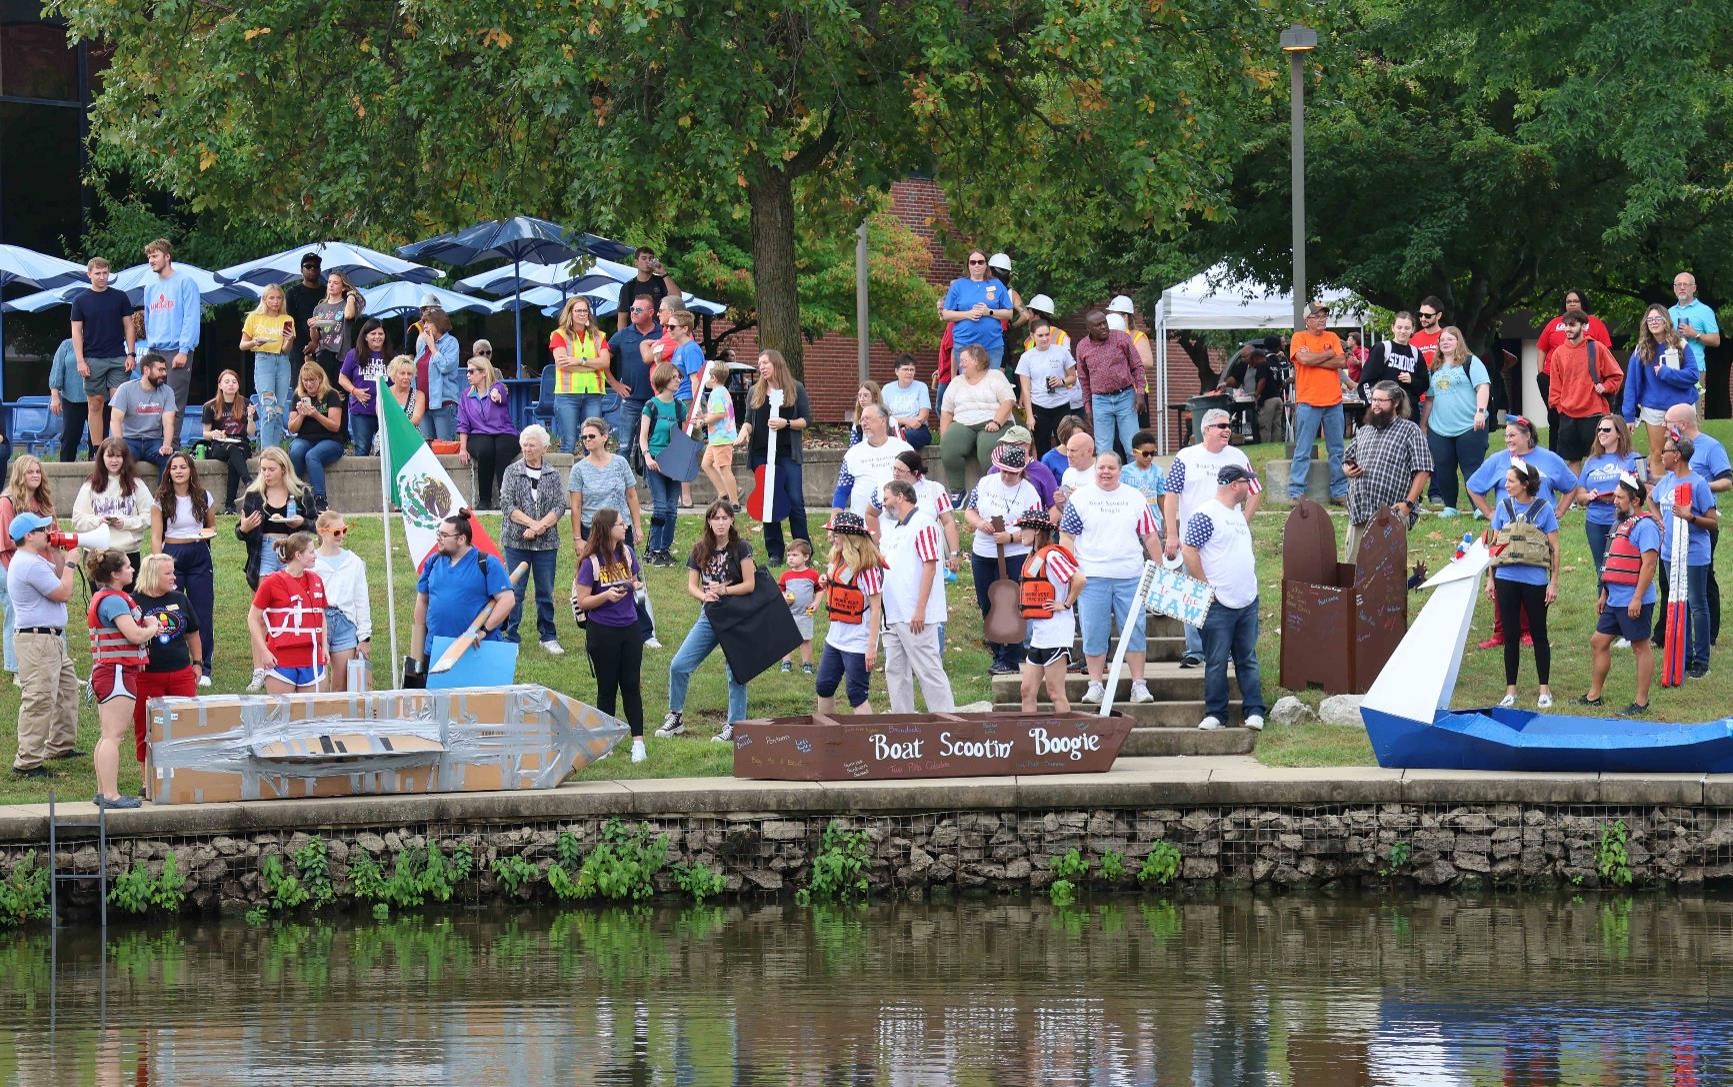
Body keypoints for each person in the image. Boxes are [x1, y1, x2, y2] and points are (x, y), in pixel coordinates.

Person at [1062, 453, 1164, 705]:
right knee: (1093, 630)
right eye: (1101, 467)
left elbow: (1149, 536)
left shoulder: (1135, 498)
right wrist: (1068, 570)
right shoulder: (1080, 498)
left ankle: (1139, 685)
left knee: (1135, 630)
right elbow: (1067, 536)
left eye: (1111, 468)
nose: (1105, 472)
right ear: (1095, 469)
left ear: (1120, 470)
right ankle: (1095, 684)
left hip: (1130, 576)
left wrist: (1160, 569)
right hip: (1092, 576)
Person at [1162, 408, 1257, 668]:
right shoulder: (1186, 456)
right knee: (1193, 593)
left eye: (1229, 425)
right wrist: (1171, 533)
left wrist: (1242, 521)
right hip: (1193, 539)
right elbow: (1171, 495)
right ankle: (1195, 649)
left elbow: (1255, 491)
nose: (1227, 429)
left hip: (1226, 541)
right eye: (1220, 425)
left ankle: (1222, 648)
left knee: (1223, 592)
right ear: (1205, 430)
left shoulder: (1237, 456)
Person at [1179, 465, 1268, 731]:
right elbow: (1189, 550)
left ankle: (1255, 710)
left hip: (1246, 600)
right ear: (1233, 485)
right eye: (1245, 482)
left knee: (1247, 658)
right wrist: (1206, 587)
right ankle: (1216, 713)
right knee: (1216, 661)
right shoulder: (1206, 514)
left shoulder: (1237, 514)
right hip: (1218, 603)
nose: (1249, 487)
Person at [660, 500, 755, 741]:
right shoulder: (700, 548)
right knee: (679, 664)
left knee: (736, 672)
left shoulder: (741, 547)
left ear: (732, 520)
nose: (721, 523)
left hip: (737, 617)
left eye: (725, 518)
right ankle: (676, 716)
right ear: (709, 521)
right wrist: (706, 596)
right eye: (716, 518)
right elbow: (692, 586)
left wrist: (723, 591)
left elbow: (750, 584)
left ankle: (735, 725)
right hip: (710, 615)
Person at [574, 507, 649, 762]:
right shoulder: (590, 561)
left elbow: (634, 579)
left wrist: (634, 585)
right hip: (602, 630)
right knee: (606, 688)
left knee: (631, 685)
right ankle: (604, 743)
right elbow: (583, 601)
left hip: (629, 627)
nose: (625, 526)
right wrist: (606, 595)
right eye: (620, 523)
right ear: (607, 529)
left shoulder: (626, 553)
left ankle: (638, 742)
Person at [961, 443, 1043, 674]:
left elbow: (1034, 532)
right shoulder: (986, 483)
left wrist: (1010, 537)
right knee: (986, 602)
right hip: (983, 551)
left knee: (1011, 603)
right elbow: (970, 510)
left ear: (1021, 471)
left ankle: (1011, 657)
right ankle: (997, 651)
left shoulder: (1029, 493)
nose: (1006, 475)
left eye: (1011, 472)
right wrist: (980, 524)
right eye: (1003, 470)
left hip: (1014, 555)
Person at [1484, 460, 1560, 708]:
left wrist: (1553, 583)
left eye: (1511, 481)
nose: (1506, 485)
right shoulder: (1503, 507)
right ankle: (1510, 690)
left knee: (1539, 633)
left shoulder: (1544, 509)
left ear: (1525, 484)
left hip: (1535, 581)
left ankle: (1544, 690)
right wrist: (1490, 580)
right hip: (1506, 579)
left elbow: (1555, 549)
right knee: (1511, 635)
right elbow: (1493, 546)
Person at [85, 549, 157, 808]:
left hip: (110, 671)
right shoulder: (114, 601)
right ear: (115, 574)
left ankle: (103, 791)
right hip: (117, 672)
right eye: (127, 567)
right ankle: (110, 795)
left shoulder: (107, 597)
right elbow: (135, 636)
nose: (132, 570)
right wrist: (153, 627)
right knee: (114, 736)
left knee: (107, 735)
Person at [7, 511, 77, 779]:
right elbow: (63, 591)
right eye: (42, 529)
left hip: (50, 639)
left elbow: (58, 575)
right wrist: (71, 564)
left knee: (66, 690)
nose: (48, 532)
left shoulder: (34, 559)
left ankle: (59, 746)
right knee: (38, 699)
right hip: (37, 641)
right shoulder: (28, 564)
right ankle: (27, 762)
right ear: (28, 536)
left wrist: (60, 552)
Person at [877, 480, 957, 713]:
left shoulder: (924, 524)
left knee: (928, 669)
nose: (884, 504)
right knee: (895, 670)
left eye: (886, 498)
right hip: (891, 613)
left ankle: (946, 721)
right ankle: (903, 724)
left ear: (900, 497)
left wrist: (920, 608)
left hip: (915, 612)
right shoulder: (895, 528)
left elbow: (930, 567)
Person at [1582, 474, 1659, 714]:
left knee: (1640, 647)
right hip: (1614, 599)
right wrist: (1604, 593)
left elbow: (1649, 565)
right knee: (1598, 641)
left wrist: (1636, 598)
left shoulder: (1646, 526)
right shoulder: (1619, 525)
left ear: (1635, 500)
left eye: (1619, 497)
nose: (1614, 501)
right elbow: (1611, 562)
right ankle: (1594, 696)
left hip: (1634, 600)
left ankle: (1641, 702)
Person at [411, 511, 516, 671]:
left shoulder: (486, 563)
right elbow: (422, 601)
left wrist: (483, 631)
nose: (439, 538)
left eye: (444, 535)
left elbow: (507, 600)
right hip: (436, 650)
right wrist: (417, 649)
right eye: (438, 533)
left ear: (461, 539)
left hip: (476, 649)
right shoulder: (433, 562)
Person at [1649, 436, 1717, 679]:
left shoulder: (1698, 484)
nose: (1661, 455)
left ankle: (1701, 661)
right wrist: (1659, 520)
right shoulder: (1667, 481)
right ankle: (1683, 656)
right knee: (1679, 604)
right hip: (1669, 553)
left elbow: (1712, 521)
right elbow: (1651, 498)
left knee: (1697, 604)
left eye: (1665, 451)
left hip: (1694, 554)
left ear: (1677, 455)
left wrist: (1691, 518)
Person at [1664, 403, 1731, 645]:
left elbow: (1726, 481)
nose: (1664, 426)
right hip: (1675, 523)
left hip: (1701, 520)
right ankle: (1668, 632)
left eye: (1668, 422)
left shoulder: (1711, 446)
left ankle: (1709, 634)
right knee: (1671, 580)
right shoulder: (1672, 451)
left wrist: (1697, 485)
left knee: (1704, 577)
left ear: (1682, 425)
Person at [499, 423, 569, 653]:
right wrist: (531, 524)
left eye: (532, 445)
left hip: (546, 544)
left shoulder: (553, 473)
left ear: (544, 448)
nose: (527, 449)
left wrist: (540, 528)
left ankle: (548, 635)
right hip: (515, 541)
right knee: (514, 591)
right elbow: (507, 505)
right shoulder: (512, 471)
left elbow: (559, 505)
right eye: (524, 444)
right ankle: (511, 635)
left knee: (545, 591)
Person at [1343, 382, 1432, 558]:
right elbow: (1347, 459)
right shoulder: (1365, 430)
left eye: (1381, 401)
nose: (1375, 404)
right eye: (1374, 399)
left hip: (1391, 514)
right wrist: (1347, 469)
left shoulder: (1410, 430)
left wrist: (1408, 505)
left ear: (1396, 402)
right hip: (1360, 512)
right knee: (1354, 571)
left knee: (1385, 573)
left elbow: (1423, 470)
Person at [149, 452, 215, 684]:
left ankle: (204, 667)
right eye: (174, 467)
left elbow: (211, 526)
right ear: (168, 471)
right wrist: (158, 562)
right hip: (172, 555)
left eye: (183, 467)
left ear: (190, 470)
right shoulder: (160, 500)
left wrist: (205, 535)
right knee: (171, 608)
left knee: (202, 610)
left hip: (198, 554)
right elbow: (157, 535)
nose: (178, 471)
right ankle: (175, 659)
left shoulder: (204, 497)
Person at [129, 553, 202, 761]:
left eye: (173, 572)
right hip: (146, 676)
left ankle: (183, 772)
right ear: (152, 575)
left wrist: (197, 662)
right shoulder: (133, 603)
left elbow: (193, 632)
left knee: (187, 725)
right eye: (168, 573)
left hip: (180, 673)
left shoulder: (180, 599)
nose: (174, 578)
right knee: (145, 728)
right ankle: (147, 780)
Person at [813, 512, 885, 716]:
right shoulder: (839, 559)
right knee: (824, 687)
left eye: (836, 534)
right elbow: (841, 588)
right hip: (835, 639)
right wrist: (826, 582)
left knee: (856, 694)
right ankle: (829, 738)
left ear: (848, 536)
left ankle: (870, 743)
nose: (832, 537)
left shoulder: (868, 568)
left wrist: (871, 647)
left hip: (858, 643)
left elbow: (875, 608)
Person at [1624, 303, 1703, 481]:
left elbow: (1693, 375)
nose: (1653, 322)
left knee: (1688, 450)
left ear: (1666, 320)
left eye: (1657, 318)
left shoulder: (1681, 344)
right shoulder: (1641, 350)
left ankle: (1691, 488)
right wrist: (1629, 415)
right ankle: (1661, 493)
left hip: (1682, 407)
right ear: (1646, 324)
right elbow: (1631, 384)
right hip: (1655, 409)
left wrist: (1666, 373)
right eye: (1650, 319)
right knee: (1658, 452)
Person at [1016, 508, 1083, 713]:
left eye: (1024, 528)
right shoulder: (1033, 556)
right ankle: (1029, 737)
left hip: (1056, 631)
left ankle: (1067, 740)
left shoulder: (1052, 556)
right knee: (1027, 690)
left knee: (1055, 691)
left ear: (1036, 530)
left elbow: (1079, 579)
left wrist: (1065, 603)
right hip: (1040, 633)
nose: (1020, 532)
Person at [69, 256, 138, 449]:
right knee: (95, 403)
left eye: (105, 273)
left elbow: (129, 326)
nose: (102, 277)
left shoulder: (120, 296)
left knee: (118, 404)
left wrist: (131, 354)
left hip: (118, 356)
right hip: (92, 358)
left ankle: (119, 447)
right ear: (89, 274)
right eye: (97, 273)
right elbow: (76, 331)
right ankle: (97, 449)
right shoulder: (80, 300)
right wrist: (80, 360)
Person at [248, 532, 329, 694]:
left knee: (313, 717)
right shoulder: (271, 583)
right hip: (281, 661)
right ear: (298, 555)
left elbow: (320, 616)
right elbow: (253, 618)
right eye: (311, 552)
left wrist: (324, 647)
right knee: (282, 717)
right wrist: (264, 652)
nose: (315, 556)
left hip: (311, 659)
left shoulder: (316, 580)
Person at [236, 446, 316, 607]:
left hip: (292, 549)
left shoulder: (300, 493)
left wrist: (301, 522)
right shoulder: (255, 494)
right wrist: (244, 528)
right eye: (263, 469)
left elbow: (316, 524)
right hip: (264, 550)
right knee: (263, 606)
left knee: (293, 603)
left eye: (272, 469)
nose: (266, 474)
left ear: (284, 469)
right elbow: (239, 532)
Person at [1544, 311, 1624, 472]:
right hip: (1567, 415)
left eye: (1572, 325)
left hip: (1593, 413)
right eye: (1565, 325)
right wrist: (1560, 407)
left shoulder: (1597, 348)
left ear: (1583, 326)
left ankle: (1596, 493)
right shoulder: (1558, 353)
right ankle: (1576, 496)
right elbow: (1554, 387)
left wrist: (1606, 387)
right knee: (1572, 460)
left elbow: (1617, 375)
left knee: (1596, 457)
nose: (1568, 329)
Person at [1425, 326, 1492, 518]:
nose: (1445, 342)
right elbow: (1430, 398)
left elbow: (1483, 388)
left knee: (1472, 466)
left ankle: (1479, 507)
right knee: (1444, 466)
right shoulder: (1435, 367)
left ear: (1458, 342)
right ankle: (1450, 507)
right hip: (1440, 427)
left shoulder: (1471, 362)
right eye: (1442, 340)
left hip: (1470, 425)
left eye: (1450, 339)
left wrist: (1480, 412)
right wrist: (1424, 424)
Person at [0, 456, 56, 681]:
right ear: (19, 476)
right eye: (29, 472)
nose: (35, 475)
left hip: (41, 564)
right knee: (17, 609)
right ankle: (16, 669)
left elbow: (54, 534)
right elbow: (6, 541)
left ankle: (58, 664)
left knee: (54, 606)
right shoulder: (7, 502)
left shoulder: (43, 502)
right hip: (10, 564)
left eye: (38, 471)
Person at [1287, 303, 1349, 505]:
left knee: (1337, 449)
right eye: (1317, 316)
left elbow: (1341, 362)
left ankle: (1339, 491)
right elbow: (1303, 359)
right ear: (1307, 320)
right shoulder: (1299, 337)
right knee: (1303, 449)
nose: (1322, 319)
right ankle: (1296, 491)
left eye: (1324, 316)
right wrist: (1328, 354)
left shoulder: (1331, 337)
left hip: (1334, 402)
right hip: (1308, 401)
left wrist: (1315, 359)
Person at [938, 344, 1017, 499]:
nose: (960, 365)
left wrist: (997, 422)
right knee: (949, 446)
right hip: (963, 423)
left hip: (993, 422)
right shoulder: (957, 382)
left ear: (977, 360)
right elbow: (946, 411)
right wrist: (944, 436)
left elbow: (1008, 401)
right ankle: (957, 491)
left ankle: (993, 491)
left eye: (964, 361)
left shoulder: (995, 376)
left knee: (988, 448)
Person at [1574, 415, 1644, 574]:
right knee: (1602, 569)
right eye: (1599, 429)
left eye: (1606, 429)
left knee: (1623, 566)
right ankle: (1603, 599)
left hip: (1624, 519)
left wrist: (1622, 494)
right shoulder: (1591, 461)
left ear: (1619, 433)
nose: (1601, 433)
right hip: (1595, 521)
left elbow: (1644, 487)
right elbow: (1579, 494)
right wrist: (1588, 496)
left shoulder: (1633, 458)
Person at [1074, 309, 1147, 462]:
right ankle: (1107, 483)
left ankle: (1137, 481)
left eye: (1104, 323)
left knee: (1132, 446)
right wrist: (1088, 407)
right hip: (1100, 401)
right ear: (1089, 329)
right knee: (1104, 449)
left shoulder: (1121, 338)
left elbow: (1137, 366)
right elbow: (1083, 379)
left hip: (1126, 396)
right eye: (1098, 325)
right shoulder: (1082, 347)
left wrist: (1140, 393)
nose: (1103, 327)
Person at [72, 438, 155, 573]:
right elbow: (77, 520)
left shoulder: (137, 484)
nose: (114, 461)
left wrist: (126, 523)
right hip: (97, 553)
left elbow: (151, 516)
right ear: (101, 458)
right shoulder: (89, 486)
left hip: (127, 552)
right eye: (109, 456)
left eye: (118, 456)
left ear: (125, 458)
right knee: (101, 594)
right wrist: (99, 520)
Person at [137, 239, 201, 412]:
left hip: (176, 350)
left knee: (173, 404)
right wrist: (150, 347)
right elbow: (148, 319)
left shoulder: (185, 282)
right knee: (153, 402)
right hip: (154, 350)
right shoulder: (150, 287)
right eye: (149, 257)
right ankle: (155, 440)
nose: (151, 260)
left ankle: (172, 440)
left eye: (155, 256)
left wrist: (184, 350)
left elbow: (191, 318)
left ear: (167, 256)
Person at [313, 511, 370, 691]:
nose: (342, 535)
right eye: (337, 532)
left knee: (342, 685)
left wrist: (364, 637)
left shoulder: (354, 562)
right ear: (322, 532)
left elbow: (361, 600)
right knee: (318, 684)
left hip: (345, 622)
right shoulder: (311, 561)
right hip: (318, 620)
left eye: (344, 530)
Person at [568, 415, 645, 546]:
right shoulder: (578, 469)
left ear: (604, 436)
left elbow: (631, 496)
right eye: (584, 437)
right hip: (592, 531)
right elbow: (576, 506)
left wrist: (637, 527)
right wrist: (577, 539)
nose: (587, 440)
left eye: (591, 436)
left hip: (622, 529)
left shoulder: (621, 463)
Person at [638, 363, 687, 566]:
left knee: (672, 509)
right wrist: (648, 457)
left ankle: (665, 549)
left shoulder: (680, 407)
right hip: (656, 462)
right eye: (675, 377)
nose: (678, 380)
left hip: (674, 464)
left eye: (679, 377)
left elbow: (683, 436)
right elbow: (643, 437)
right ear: (664, 379)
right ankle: (653, 549)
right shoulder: (651, 406)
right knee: (660, 508)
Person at [549, 296, 611, 454]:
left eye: (585, 310)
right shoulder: (559, 334)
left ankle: (591, 478)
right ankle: (565, 479)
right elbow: (562, 364)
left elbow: (605, 363)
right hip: (567, 394)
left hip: (593, 394)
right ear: (570, 313)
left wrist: (579, 361)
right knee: (569, 441)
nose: (582, 314)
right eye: (578, 310)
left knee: (592, 442)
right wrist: (593, 366)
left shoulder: (599, 335)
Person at [241, 283, 297, 450]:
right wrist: (254, 342)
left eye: (279, 298)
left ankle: (276, 450)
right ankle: (266, 452)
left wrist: (289, 339)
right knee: (268, 408)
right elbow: (243, 345)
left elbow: (286, 350)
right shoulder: (254, 318)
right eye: (271, 298)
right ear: (264, 299)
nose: (275, 301)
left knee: (279, 408)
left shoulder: (287, 319)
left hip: (282, 360)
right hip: (263, 358)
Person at [455, 356, 514, 509]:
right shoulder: (465, 395)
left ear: (484, 373)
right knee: (485, 450)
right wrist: (462, 448)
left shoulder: (498, 387)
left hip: (504, 431)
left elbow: (499, 392)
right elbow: (463, 424)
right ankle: (485, 499)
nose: (467, 375)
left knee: (502, 449)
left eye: (471, 371)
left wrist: (495, 395)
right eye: (467, 371)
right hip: (479, 433)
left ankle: (506, 498)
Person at [940, 248, 1013, 371]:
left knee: (990, 385)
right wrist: (967, 314)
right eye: (973, 262)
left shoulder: (996, 284)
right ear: (968, 265)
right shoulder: (958, 285)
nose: (977, 265)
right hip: (965, 345)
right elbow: (946, 314)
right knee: (970, 384)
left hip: (992, 345)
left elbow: (1009, 313)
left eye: (980, 262)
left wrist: (989, 312)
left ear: (986, 265)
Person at [286, 361, 345, 512]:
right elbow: (292, 428)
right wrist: (301, 416)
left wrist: (316, 414)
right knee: (296, 451)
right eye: (305, 380)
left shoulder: (331, 395)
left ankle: (320, 499)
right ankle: (296, 495)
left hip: (330, 439)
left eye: (312, 380)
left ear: (320, 379)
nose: (309, 384)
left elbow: (335, 425)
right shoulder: (298, 396)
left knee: (312, 456)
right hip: (305, 438)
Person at [835, 404, 912, 517]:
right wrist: (834, 520)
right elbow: (842, 491)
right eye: (861, 420)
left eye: (868, 418)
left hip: (898, 524)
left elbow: (918, 482)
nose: (863, 423)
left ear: (883, 420)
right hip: (862, 526)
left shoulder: (904, 449)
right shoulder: (853, 454)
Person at [108, 352, 177, 474]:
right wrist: (119, 445)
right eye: (160, 370)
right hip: (129, 440)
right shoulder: (125, 389)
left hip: (154, 441)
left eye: (165, 370)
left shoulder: (168, 392)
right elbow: (115, 420)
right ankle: (125, 493)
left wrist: (166, 445)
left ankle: (163, 493)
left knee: (169, 460)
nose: (164, 374)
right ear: (146, 370)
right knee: (121, 461)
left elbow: (168, 422)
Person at [1016, 321, 1078, 456]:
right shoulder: (1026, 357)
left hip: (1061, 405)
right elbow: (1026, 389)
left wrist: (1061, 382)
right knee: (1041, 445)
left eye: (1047, 335)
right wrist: (1030, 416)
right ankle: (1045, 475)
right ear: (1032, 336)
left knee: (1066, 444)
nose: (1044, 338)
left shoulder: (1062, 352)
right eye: (1040, 335)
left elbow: (1073, 378)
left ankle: (1065, 473)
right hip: (1039, 406)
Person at [612, 296, 661, 464]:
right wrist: (614, 384)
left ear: (651, 312)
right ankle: (619, 487)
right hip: (630, 399)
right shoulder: (623, 334)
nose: (633, 312)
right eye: (632, 309)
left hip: (657, 399)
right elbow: (602, 360)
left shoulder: (663, 333)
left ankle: (652, 485)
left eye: (638, 310)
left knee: (655, 445)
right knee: (624, 446)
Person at [201, 369, 256, 513]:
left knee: (234, 458)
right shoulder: (210, 406)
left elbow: (251, 433)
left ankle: (230, 505)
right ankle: (248, 481)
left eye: (234, 382)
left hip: (242, 443)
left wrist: (250, 418)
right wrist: (213, 433)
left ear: (238, 385)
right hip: (220, 444)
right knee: (231, 449)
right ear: (220, 385)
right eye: (227, 382)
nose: (231, 385)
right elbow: (205, 434)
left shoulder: (246, 403)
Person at [1357, 312, 1429, 418]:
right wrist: (1372, 404)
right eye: (1399, 327)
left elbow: (1425, 383)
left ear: (1413, 329)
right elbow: (1365, 382)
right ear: (1393, 328)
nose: (1403, 331)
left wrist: (1412, 381)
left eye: (1407, 328)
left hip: (1410, 413)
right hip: (1384, 412)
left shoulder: (1416, 353)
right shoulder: (1382, 348)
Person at [338, 318, 391, 455]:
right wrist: (355, 391)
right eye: (373, 334)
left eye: (381, 334)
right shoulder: (354, 354)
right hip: (362, 411)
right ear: (365, 336)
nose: (377, 337)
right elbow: (342, 378)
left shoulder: (392, 356)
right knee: (362, 449)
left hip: (386, 412)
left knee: (386, 451)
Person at [1670, 271, 1721, 409]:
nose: (1682, 287)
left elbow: (1716, 340)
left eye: (1685, 284)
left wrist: (1695, 334)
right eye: (1678, 284)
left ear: (1694, 288)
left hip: (1695, 368)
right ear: (1674, 288)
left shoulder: (1705, 311)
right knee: (1672, 412)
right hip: (1672, 368)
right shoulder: (1668, 312)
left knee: (1693, 412)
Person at [308, 271, 361, 388]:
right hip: (323, 352)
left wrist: (351, 296)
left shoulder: (347, 304)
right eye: (329, 282)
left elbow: (348, 315)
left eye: (336, 283)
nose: (331, 285)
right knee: (324, 390)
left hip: (342, 353)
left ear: (343, 287)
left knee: (341, 391)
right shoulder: (319, 307)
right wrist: (312, 328)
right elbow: (315, 339)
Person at [700, 361, 741, 510]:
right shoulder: (722, 391)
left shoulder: (716, 393)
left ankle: (734, 502)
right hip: (717, 438)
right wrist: (703, 417)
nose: (704, 380)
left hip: (721, 438)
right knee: (706, 464)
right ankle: (723, 493)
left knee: (724, 467)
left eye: (707, 377)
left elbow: (719, 414)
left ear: (714, 378)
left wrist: (703, 422)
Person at [417, 309, 460, 441]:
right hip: (423, 404)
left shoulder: (451, 342)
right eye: (424, 322)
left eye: (428, 322)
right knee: (427, 449)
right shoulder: (423, 344)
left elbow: (446, 366)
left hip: (443, 403)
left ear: (439, 323)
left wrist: (433, 348)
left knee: (444, 447)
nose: (424, 326)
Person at [778, 539, 820, 673]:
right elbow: (780, 590)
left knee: (805, 640)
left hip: (805, 613)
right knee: (786, 638)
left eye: (795, 555)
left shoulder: (812, 574)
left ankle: (807, 663)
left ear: (806, 557)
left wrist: (816, 603)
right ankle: (786, 661)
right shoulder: (786, 575)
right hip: (788, 613)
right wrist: (784, 597)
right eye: (789, 555)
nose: (790, 558)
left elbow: (820, 590)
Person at [616, 245, 680, 331]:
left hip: (659, 333)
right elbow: (622, 318)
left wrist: (663, 272)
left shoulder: (660, 281)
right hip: (637, 335)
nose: (647, 261)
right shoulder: (628, 287)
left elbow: (677, 297)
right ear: (636, 262)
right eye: (644, 258)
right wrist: (623, 340)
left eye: (650, 258)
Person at [47, 336, 89, 463]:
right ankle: (64, 468)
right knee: (69, 438)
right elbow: (56, 370)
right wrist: (55, 397)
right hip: (71, 398)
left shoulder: (100, 343)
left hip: (97, 399)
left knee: (98, 440)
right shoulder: (66, 345)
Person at [883, 354, 933, 450]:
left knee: (906, 436)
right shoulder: (887, 389)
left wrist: (908, 426)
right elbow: (884, 416)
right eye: (905, 369)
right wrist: (906, 421)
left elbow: (924, 415)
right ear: (896, 371)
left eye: (912, 370)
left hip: (917, 429)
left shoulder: (921, 387)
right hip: (893, 428)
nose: (909, 373)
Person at [283, 253, 325, 367]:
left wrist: (316, 342)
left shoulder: (327, 292)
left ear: (320, 270)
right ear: (301, 269)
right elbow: (288, 322)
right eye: (308, 266)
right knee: (300, 382)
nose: (312, 269)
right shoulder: (292, 293)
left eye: (315, 267)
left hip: (325, 346)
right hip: (299, 348)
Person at [1122, 430, 1167, 528]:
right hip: (1131, 524)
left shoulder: (1158, 472)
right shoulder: (1124, 472)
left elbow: (1161, 497)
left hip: (1153, 524)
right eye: (1145, 454)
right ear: (1134, 452)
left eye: (1152, 453)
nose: (1149, 457)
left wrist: (1167, 521)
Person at [385, 354, 426, 430]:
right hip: (388, 434)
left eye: (409, 374)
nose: (406, 377)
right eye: (402, 373)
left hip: (410, 436)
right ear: (394, 374)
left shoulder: (419, 395)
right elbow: (381, 415)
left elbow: (416, 419)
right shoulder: (385, 393)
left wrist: (400, 429)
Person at [1410, 296, 1446, 369]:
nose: (1423, 318)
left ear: (1438, 316)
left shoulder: (1447, 337)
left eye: (1427, 316)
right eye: (1420, 314)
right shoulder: (1413, 338)